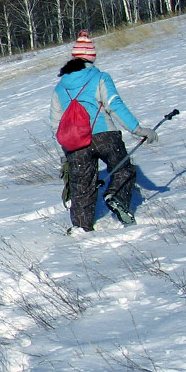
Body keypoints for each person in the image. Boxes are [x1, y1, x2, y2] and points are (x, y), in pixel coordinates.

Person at [50, 30, 158, 232]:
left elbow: (55, 125)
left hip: (75, 144)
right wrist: (137, 129)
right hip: (105, 136)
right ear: (92, 58)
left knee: (81, 187)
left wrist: (63, 155)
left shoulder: (59, 88)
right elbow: (114, 104)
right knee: (123, 169)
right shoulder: (100, 77)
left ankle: (81, 228)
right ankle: (116, 196)